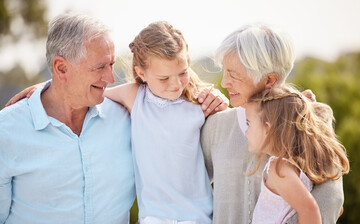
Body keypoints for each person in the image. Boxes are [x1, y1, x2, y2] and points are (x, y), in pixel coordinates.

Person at [200, 23, 345, 224]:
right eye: (225, 71)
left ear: (270, 80)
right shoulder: (216, 124)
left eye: (233, 74)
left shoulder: (311, 122)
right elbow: (186, 189)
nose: (224, 83)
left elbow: (330, 200)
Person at [0, 13, 136, 223]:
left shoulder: (127, 118)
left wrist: (206, 95)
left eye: (111, 65)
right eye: (100, 67)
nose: (110, 78)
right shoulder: (7, 130)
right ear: (61, 68)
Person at [104, 21, 214, 224]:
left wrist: (221, 102)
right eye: (164, 78)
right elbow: (89, 93)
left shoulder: (199, 101)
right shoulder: (135, 96)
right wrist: (45, 87)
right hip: (154, 218)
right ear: (141, 73)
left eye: (182, 73)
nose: (176, 84)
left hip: (198, 218)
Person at [245, 85, 349, 224]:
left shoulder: (278, 169)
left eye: (248, 123)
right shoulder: (298, 166)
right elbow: (337, 210)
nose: (246, 131)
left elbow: (310, 210)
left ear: (267, 129)